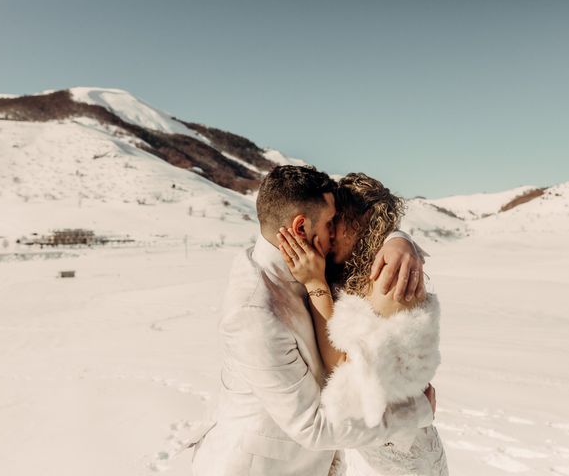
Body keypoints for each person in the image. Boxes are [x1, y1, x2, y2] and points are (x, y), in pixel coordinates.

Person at [191, 165, 435, 476]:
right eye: (331, 223)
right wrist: (415, 413)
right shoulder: (254, 311)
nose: (334, 232)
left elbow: (370, 223)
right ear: (301, 228)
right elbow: (313, 427)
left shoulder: (311, 268)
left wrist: (399, 240)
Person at [278, 173, 448, 475]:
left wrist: (316, 283)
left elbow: (345, 370)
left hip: (397, 457)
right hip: (371, 446)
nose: (328, 234)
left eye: (337, 222)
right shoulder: (355, 269)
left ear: (365, 219)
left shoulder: (390, 278)